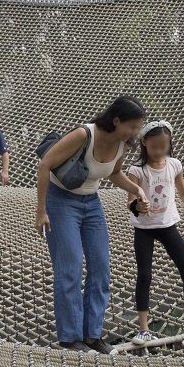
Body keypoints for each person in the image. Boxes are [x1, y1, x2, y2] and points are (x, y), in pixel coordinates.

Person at [35, 95, 149, 353]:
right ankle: (70, 337)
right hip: (61, 202)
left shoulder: (121, 145)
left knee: (101, 268)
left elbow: (115, 174)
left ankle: (92, 336)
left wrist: (137, 190)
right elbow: (45, 165)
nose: (135, 132)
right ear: (116, 120)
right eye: (132, 126)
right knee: (71, 268)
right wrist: (41, 211)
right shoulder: (83, 134)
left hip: (92, 203)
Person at [125, 120, 184, 346]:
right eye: (154, 146)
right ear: (144, 143)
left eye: (163, 146)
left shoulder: (174, 164)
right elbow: (130, 202)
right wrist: (138, 206)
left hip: (168, 226)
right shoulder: (137, 170)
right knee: (144, 275)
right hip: (144, 229)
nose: (159, 151)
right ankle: (143, 330)